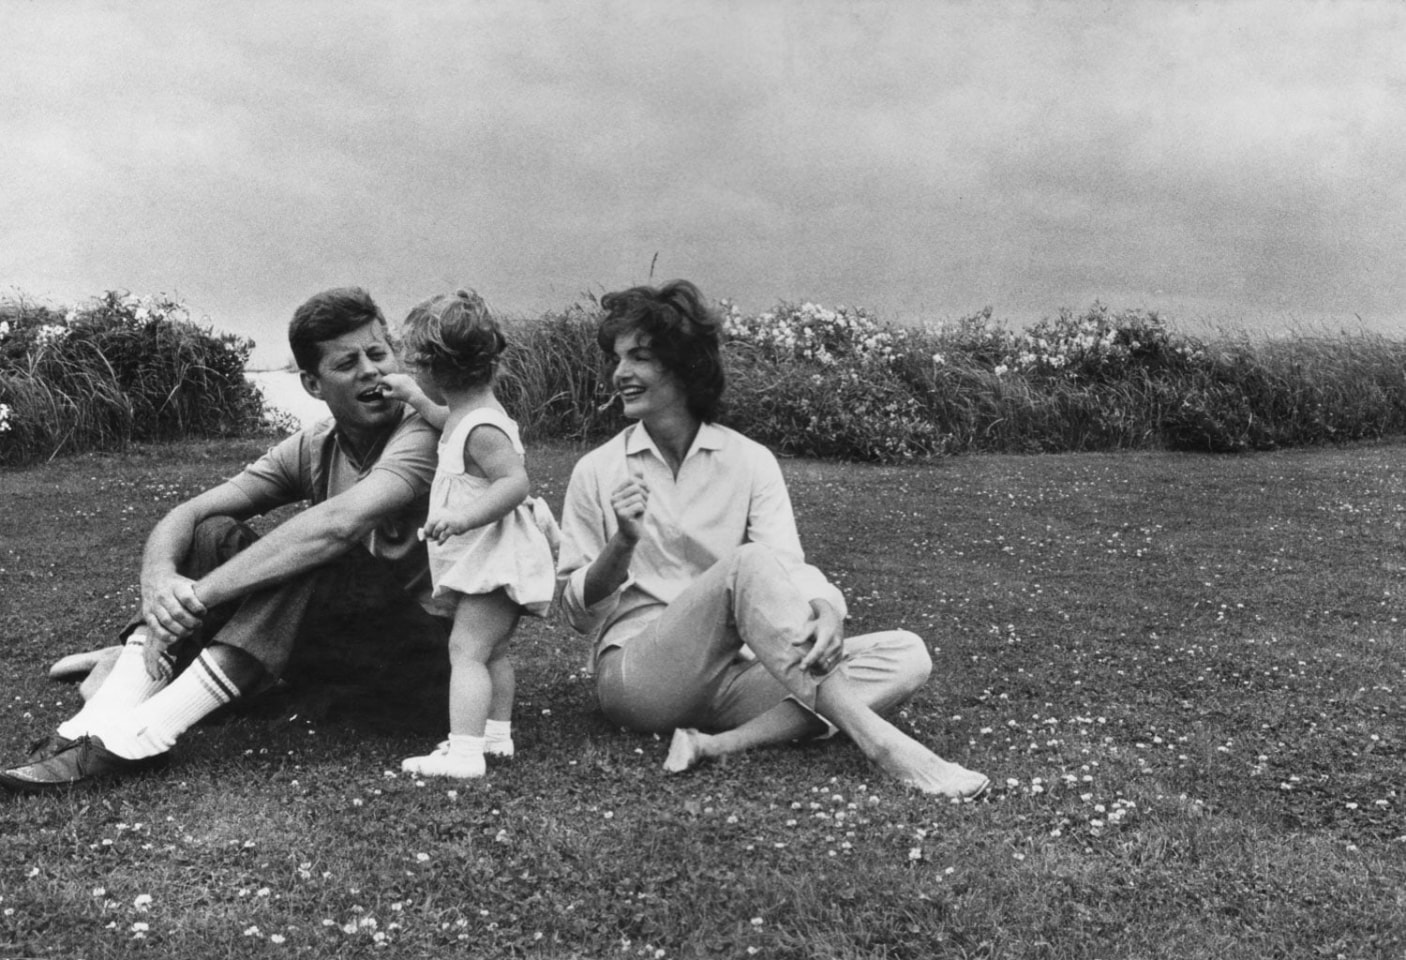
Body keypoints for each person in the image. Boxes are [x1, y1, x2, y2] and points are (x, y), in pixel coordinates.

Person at [1, 287, 449, 792]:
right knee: (211, 533)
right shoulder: (316, 444)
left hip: (429, 669)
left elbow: (337, 525)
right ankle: (99, 719)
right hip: (343, 656)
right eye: (347, 363)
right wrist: (157, 581)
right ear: (312, 383)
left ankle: (142, 734)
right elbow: (190, 514)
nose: (370, 371)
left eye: (378, 353)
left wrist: (200, 595)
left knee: (316, 549)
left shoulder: (425, 433)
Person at [557, 280, 990, 799]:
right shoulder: (597, 470)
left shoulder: (750, 460)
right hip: (639, 680)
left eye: (640, 357)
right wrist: (622, 544)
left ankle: (718, 744)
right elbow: (578, 614)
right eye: (619, 358)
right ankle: (884, 747)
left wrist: (827, 609)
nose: (620, 373)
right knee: (748, 564)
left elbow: (786, 566)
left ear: (686, 364)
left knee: (906, 654)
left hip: (733, 677)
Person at [379, 289, 558, 779]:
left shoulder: (484, 427)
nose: (416, 377)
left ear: (437, 369)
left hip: (496, 558)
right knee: (493, 650)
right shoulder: (468, 414)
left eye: (418, 370)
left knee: (466, 651)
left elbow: (515, 482)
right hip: (494, 559)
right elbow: (445, 421)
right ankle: (496, 737)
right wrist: (414, 398)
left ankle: (464, 753)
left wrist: (461, 518)